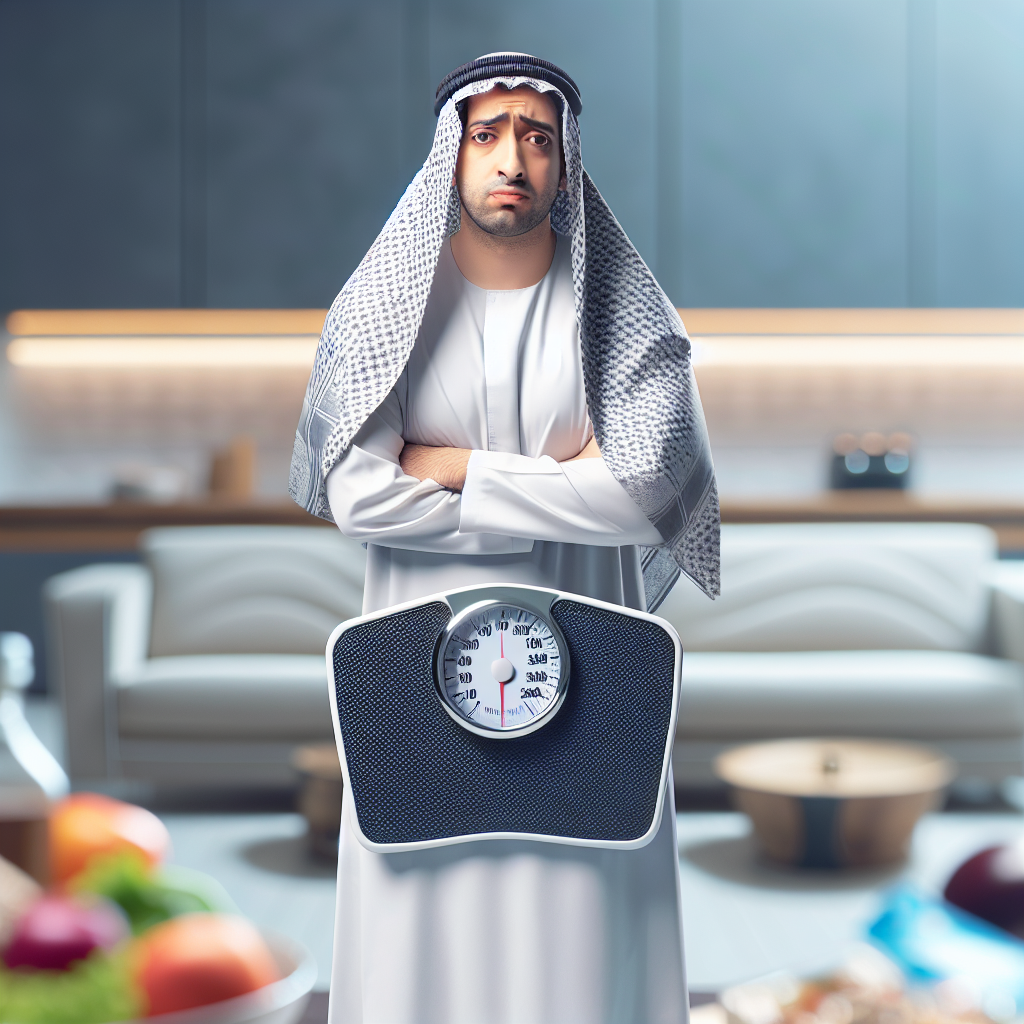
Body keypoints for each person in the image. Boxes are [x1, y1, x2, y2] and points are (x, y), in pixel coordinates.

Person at [291, 52, 719, 1024]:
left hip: (596, 665)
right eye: (487, 133)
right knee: (419, 898)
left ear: (566, 159)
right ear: (451, 154)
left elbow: (642, 497)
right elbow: (358, 497)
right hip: (411, 653)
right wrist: (565, 483)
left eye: (535, 134)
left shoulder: (627, 320)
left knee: (584, 897)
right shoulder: (379, 315)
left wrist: (454, 470)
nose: (511, 156)